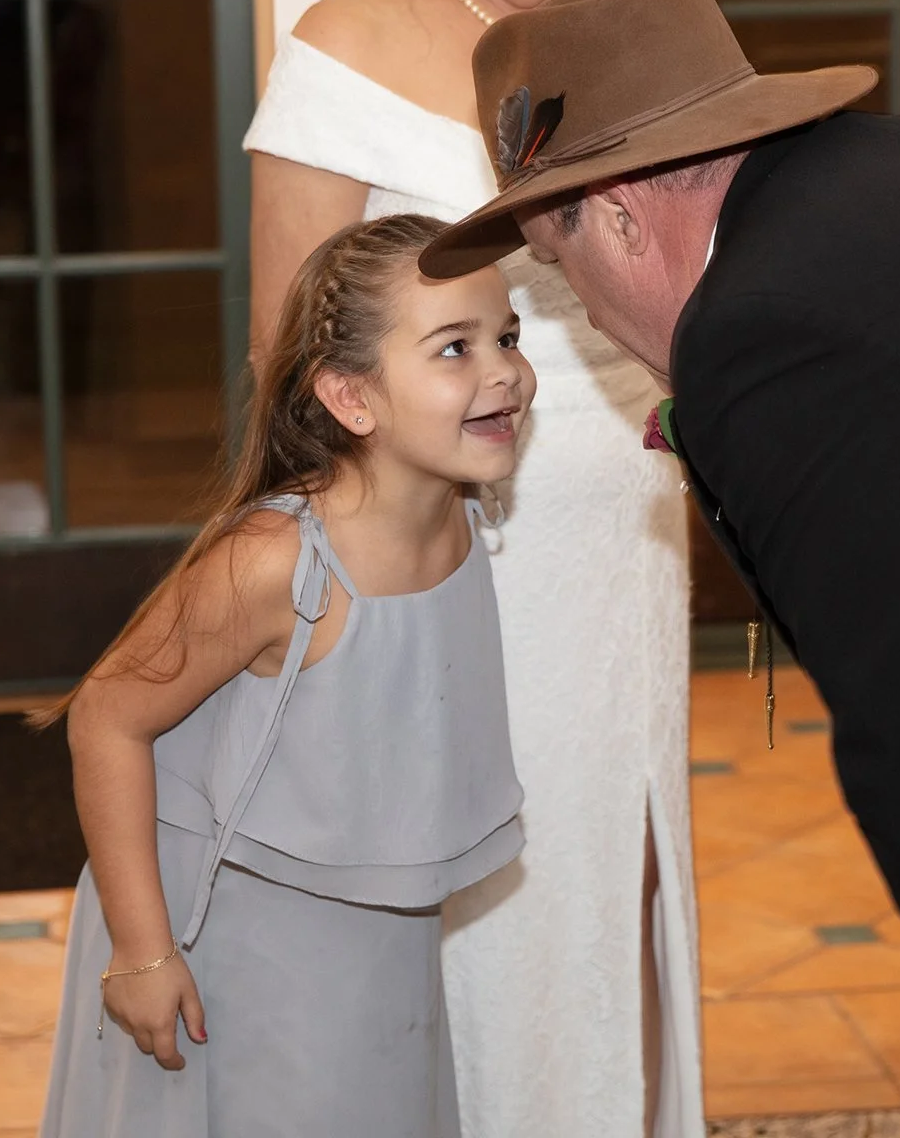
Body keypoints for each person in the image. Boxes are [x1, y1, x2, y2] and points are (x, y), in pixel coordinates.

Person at [419, 0, 900, 1138]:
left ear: (615, 216)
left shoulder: (774, 334)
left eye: (560, 275)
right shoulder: (879, 178)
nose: (592, 320)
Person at [245, 0, 701, 1137]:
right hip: (453, 552)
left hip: (624, 540)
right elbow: (286, 356)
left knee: (620, 872)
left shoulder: (620, 11)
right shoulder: (344, 43)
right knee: (486, 894)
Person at [36, 215, 536, 1137]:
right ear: (351, 397)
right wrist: (142, 951)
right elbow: (105, 717)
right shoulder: (276, 562)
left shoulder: (462, 515)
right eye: (455, 348)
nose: (502, 368)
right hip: (218, 935)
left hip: (372, 932)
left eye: (506, 336)